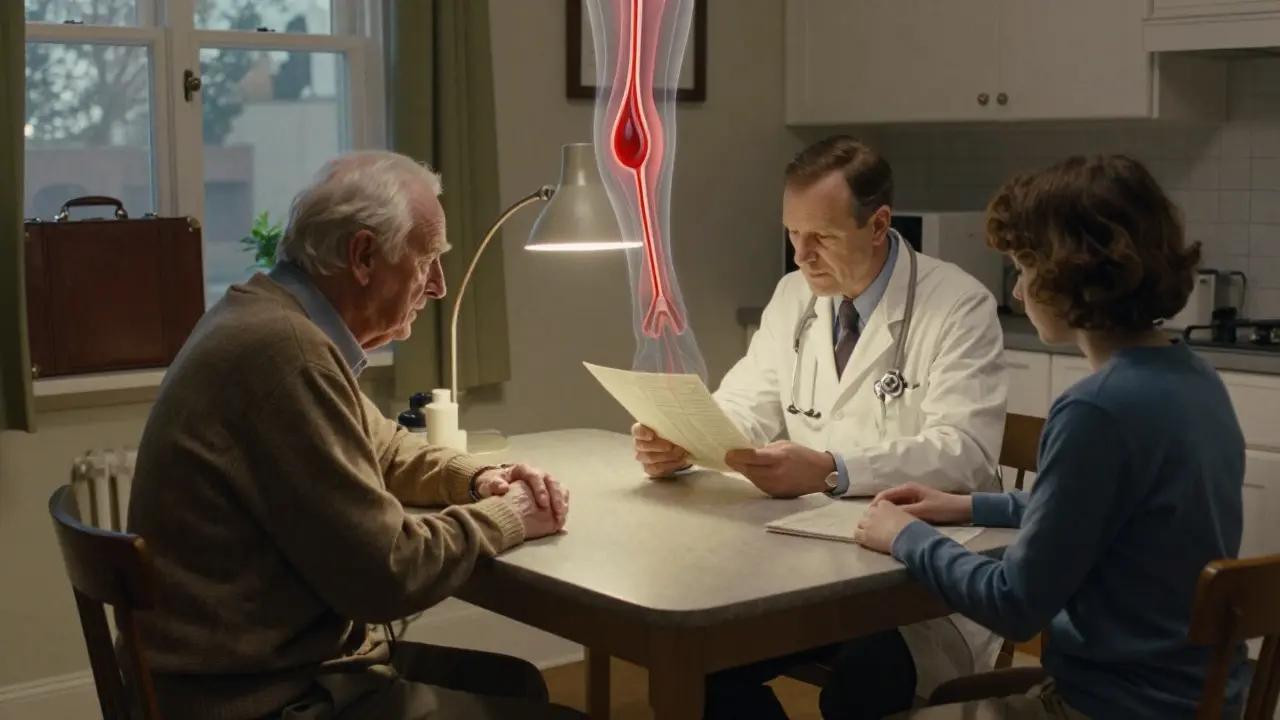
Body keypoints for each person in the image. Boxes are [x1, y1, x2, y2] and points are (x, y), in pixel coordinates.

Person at [125, 150, 587, 720]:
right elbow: (388, 572)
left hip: (255, 669)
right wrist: (511, 514)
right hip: (258, 697)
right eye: (427, 261)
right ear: (364, 255)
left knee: (515, 683)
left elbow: (385, 446)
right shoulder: (286, 355)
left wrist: (479, 479)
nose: (438, 286)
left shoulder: (269, 317)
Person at [855, 154, 1253, 719]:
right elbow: (1107, 510)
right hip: (1200, 700)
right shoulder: (1196, 378)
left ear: (1071, 272)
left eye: (1023, 266)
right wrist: (970, 504)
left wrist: (904, 537)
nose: (1017, 292)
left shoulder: (1096, 409)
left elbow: (1013, 604)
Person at [632, 135, 1009, 718]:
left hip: (913, 581)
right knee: (702, 669)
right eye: (792, 234)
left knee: (861, 685)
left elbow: (966, 453)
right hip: (804, 564)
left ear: (879, 224)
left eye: (821, 237)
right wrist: (688, 440)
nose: (800, 256)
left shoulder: (959, 306)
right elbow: (747, 401)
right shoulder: (795, 297)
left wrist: (833, 469)